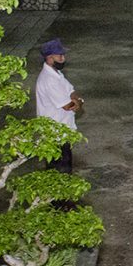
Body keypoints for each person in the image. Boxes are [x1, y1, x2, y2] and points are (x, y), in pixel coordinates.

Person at [35, 38, 82, 173]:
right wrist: (79, 101)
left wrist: (76, 99)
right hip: (55, 134)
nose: (63, 58)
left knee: (63, 168)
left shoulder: (56, 73)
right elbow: (67, 105)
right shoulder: (49, 80)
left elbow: (71, 90)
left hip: (61, 130)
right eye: (60, 56)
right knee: (59, 170)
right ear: (49, 58)